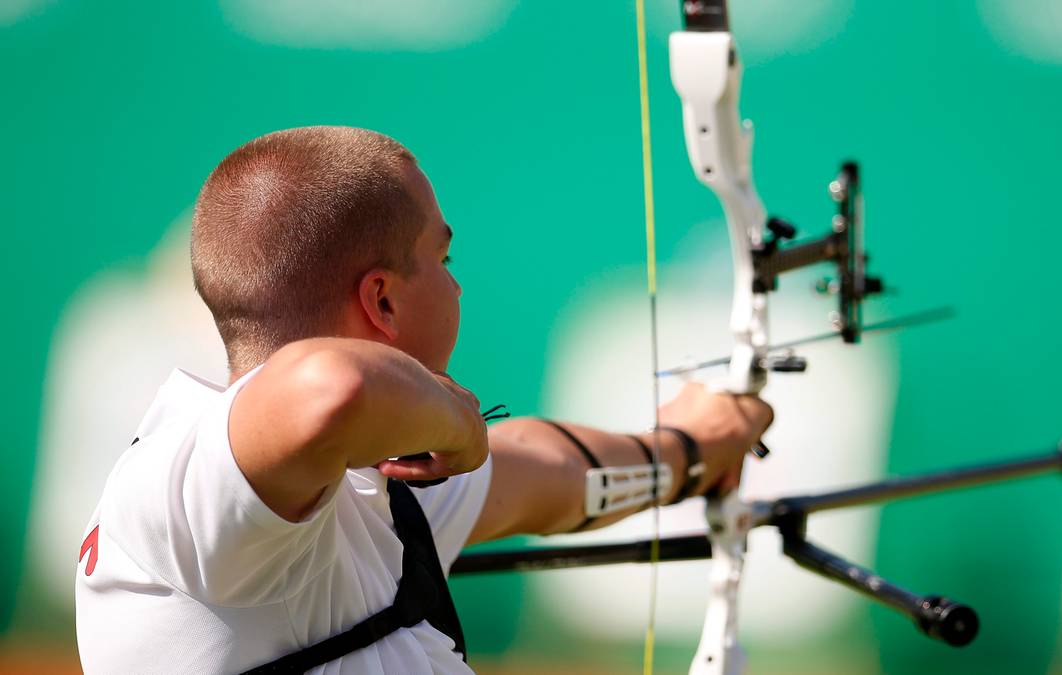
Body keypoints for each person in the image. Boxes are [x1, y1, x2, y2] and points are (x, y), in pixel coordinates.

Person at [74, 126, 772, 674]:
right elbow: (332, 387)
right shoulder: (175, 494)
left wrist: (689, 449)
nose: (457, 287)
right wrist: (454, 422)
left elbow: (546, 475)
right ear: (381, 298)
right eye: (444, 260)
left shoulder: (367, 483)